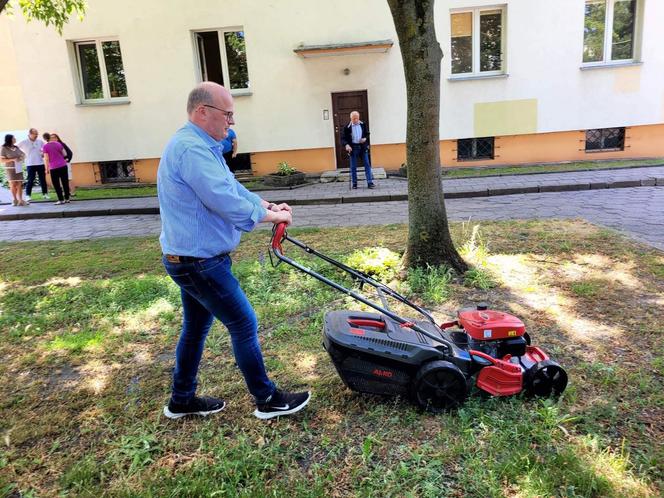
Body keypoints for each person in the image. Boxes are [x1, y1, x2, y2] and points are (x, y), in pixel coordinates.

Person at [158, 81, 311, 420]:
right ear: (203, 112)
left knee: (196, 328)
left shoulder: (202, 146)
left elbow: (231, 186)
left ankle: (181, 400)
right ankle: (267, 399)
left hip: (190, 259)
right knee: (243, 323)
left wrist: (266, 203)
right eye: (227, 114)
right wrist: (273, 216)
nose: (231, 122)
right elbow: (224, 200)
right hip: (198, 263)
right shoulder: (190, 149)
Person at [341, 111, 375, 189]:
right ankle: (354, 183)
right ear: (351, 118)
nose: (356, 120)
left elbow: (367, 133)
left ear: (359, 117)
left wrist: (365, 138)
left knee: (367, 164)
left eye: (357, 118)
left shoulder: (363, 124)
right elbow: (343, 138)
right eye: (354, 119)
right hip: (353, 148)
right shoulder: (347, 127)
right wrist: (346, 145)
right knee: (353, 166)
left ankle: (370, 182)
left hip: (363, 147)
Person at [18, 128, 49, 201]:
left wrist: (43, 153)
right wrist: (21, 155)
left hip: (40, 163)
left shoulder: (40, 141)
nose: (36, 135)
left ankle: (45, 194)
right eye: (35, 134)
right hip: (30, 164)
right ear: (30, 134)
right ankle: (28, 195)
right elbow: (15, 147)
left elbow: (45, 149)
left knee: (43, 180)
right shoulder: (24, 142)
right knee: (30, 180)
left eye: (37, 134)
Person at [42, 133, 70, 205]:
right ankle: (67, 198)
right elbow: (65, 154)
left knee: (56, 184)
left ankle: (61, 200)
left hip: (53, 167)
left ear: (45, 139)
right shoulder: (58, 144)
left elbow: (46, 159)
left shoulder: (45, 146)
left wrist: (46, 169)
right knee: (65, 182)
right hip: (63, 165)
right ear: (50, 137)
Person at [1, 134, 27, 206]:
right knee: (13, 184)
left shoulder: (16, 147)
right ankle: (14, 200)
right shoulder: (4, 148)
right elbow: (2, 160)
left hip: (18, 168)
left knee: (19, 184)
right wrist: (13, 159)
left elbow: (23, 155)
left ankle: (20, 200)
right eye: (13, 138)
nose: (15, 139)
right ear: (10, 139)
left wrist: (21, 158)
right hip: (10, 169)